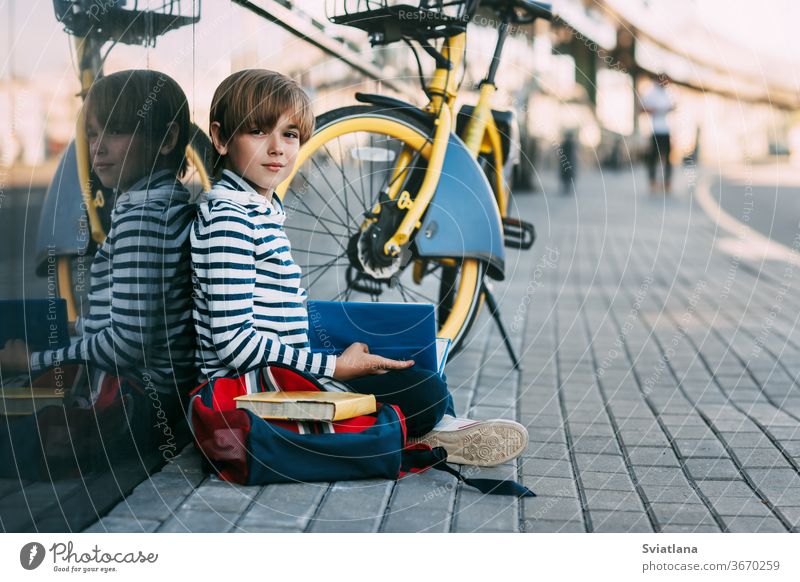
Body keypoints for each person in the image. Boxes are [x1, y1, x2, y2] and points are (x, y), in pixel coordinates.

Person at [191, 69, 528, 466]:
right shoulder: (229, 218)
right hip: (252, 388)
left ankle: (425, 428)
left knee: (417, 371)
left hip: (283, 370)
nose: (277, 148)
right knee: (425, 393)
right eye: (259, 132)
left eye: (290, 135)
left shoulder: (258, 208)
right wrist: (335, 366)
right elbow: (234, 344)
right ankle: (423, 431)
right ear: (220, 138)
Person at [0, 70, 197, 451]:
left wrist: (35, 360)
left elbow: (126, 345)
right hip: (139, 391)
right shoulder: (157, 205)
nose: (98, 148)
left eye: (116, 132)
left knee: (16, 441)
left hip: (138, 404)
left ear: (168, 139)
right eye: (92, 134)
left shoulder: (143, 223)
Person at [641, 74, 675, 194]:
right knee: (653, 157)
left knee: (668, 158)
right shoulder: (651, 93)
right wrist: (657, 110)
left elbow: (674, 107)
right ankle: (652, 182)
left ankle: (667, 182)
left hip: (666, 130)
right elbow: (642, 108)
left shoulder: (668, 93)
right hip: (655, 129)